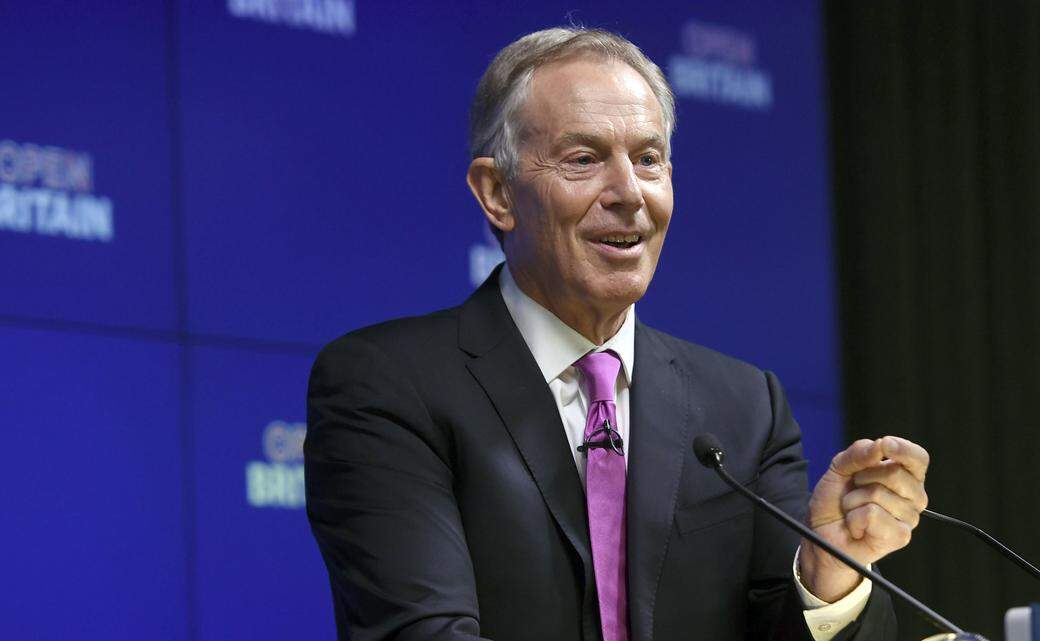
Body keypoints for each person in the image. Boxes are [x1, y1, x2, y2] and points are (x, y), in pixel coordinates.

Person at [305, 26, 929, 641]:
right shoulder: (387, 385)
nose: (629, 193)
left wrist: (825, 577)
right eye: (584, 159)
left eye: (648, 159)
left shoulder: (745, 408)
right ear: (497, 193)